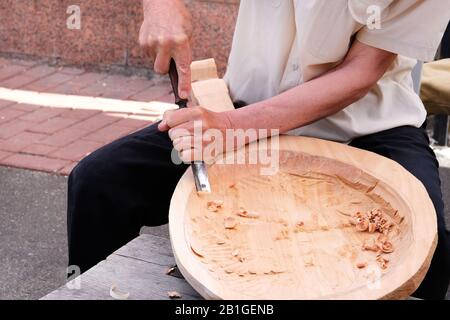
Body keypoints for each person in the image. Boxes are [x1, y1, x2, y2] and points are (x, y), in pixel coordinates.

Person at [67, 0, 450, 299]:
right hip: (248, 104)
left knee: (428, 250)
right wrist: (159, 8)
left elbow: (360, 73)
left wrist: (232, 127)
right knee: (99, 183)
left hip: (368, 123)